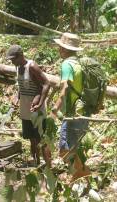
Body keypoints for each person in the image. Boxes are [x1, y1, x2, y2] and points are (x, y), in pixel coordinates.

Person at [51, 32, 91, 181]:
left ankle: (83, 177)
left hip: (74, 112)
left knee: (65, 150)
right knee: (73, 149)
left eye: (60, 47)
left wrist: (54, 111)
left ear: (64, 49)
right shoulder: (80, 63)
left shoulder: (67, 64)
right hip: (84, 110)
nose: (58, 49)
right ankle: (80, 179)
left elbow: (65, 89)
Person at [6, 45, 51, 166]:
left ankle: (49, 168)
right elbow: (23, 86)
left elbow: (46, 84)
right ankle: (36, 165)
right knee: (32, 139)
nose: (12, 62)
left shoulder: (31, 66)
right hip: (26, 110)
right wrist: (17, 97)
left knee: (41, 139)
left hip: (37, 110)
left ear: (20, 56)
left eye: (13, 59)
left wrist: (40, 103)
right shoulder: (18, 67)